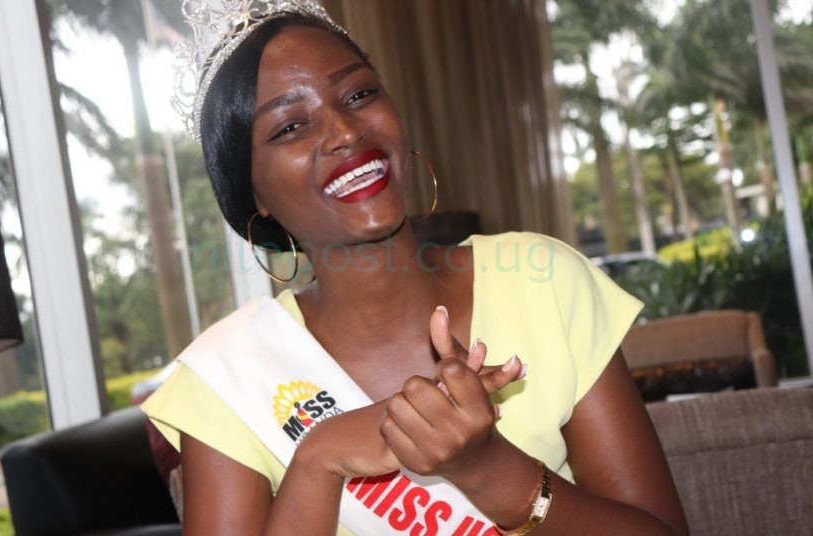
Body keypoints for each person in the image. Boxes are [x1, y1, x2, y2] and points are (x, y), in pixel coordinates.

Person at [142, 2, 688, 534]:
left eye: (359, 94)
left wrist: (488, 469)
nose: (345, 131)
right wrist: (318, 460)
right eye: (289, 127)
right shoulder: (230, 375)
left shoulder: (542, 281)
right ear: (252, 194)